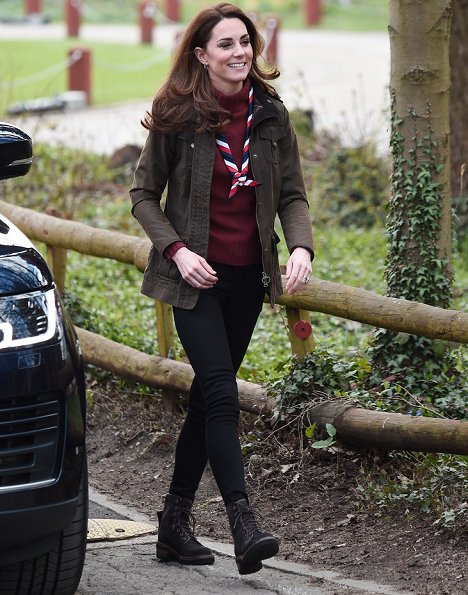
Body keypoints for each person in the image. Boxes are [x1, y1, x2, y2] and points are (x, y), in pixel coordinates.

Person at [130, 2, 313, 576]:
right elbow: (142, 196)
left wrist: (301, 245)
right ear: (201, 54)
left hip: (246, 280)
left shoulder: (271, 115)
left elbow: (291, 195)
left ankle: (172, 524)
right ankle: (243, 521)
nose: (239, 53)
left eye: (245, 43)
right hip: (194, 282)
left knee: (209, 401)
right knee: (223, 394)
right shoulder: (177, 114)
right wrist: (178, 253)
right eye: (226, 45)